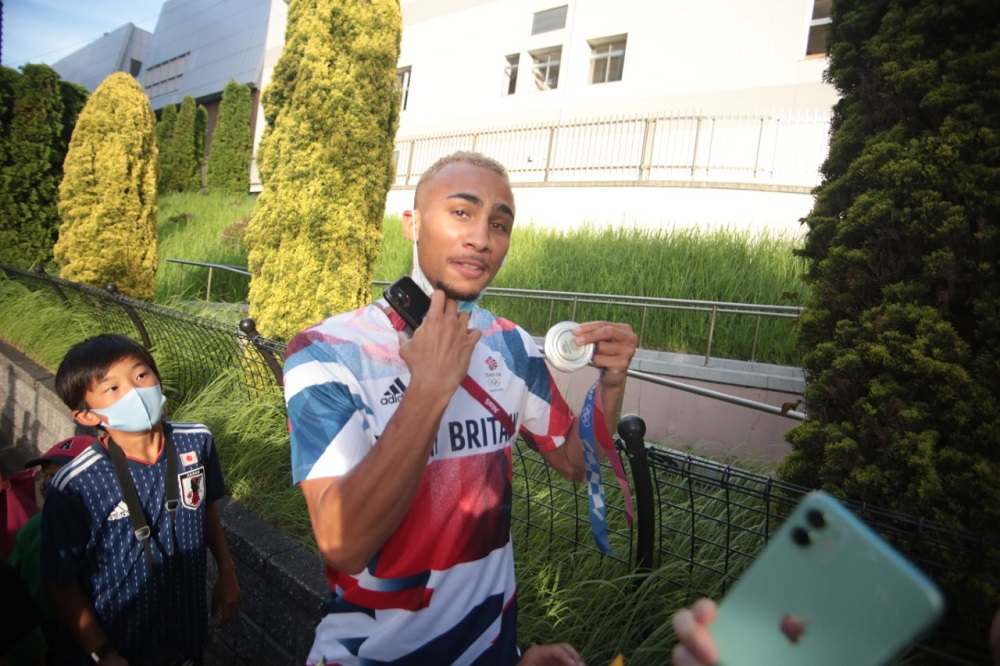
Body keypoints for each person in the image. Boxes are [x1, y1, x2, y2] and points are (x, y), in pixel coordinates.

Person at [283, 151, 639, 665]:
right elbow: (345, 542)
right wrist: (429, 387)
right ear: (412, 223)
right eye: (461, 213)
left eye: (500, 222)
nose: (481, 238)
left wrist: (611, 385)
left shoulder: (512, 346)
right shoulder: (327, 351)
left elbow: (576, 463)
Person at [41, 334, 241, 665]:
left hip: (186, 638)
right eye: (112, 388)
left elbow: (204, 504)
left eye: (140, 375)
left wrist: (227, 569)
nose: (134, 391)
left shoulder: (197, 441)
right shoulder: (75, 484)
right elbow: (59, 582)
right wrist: (102, 652)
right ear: (87, 416)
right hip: (120, 644)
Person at [6, 436, 96, 666]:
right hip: (43, 635)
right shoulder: (33, 528)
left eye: (61, 475)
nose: (51, 483)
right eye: (47, 475)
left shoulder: (108, 529)